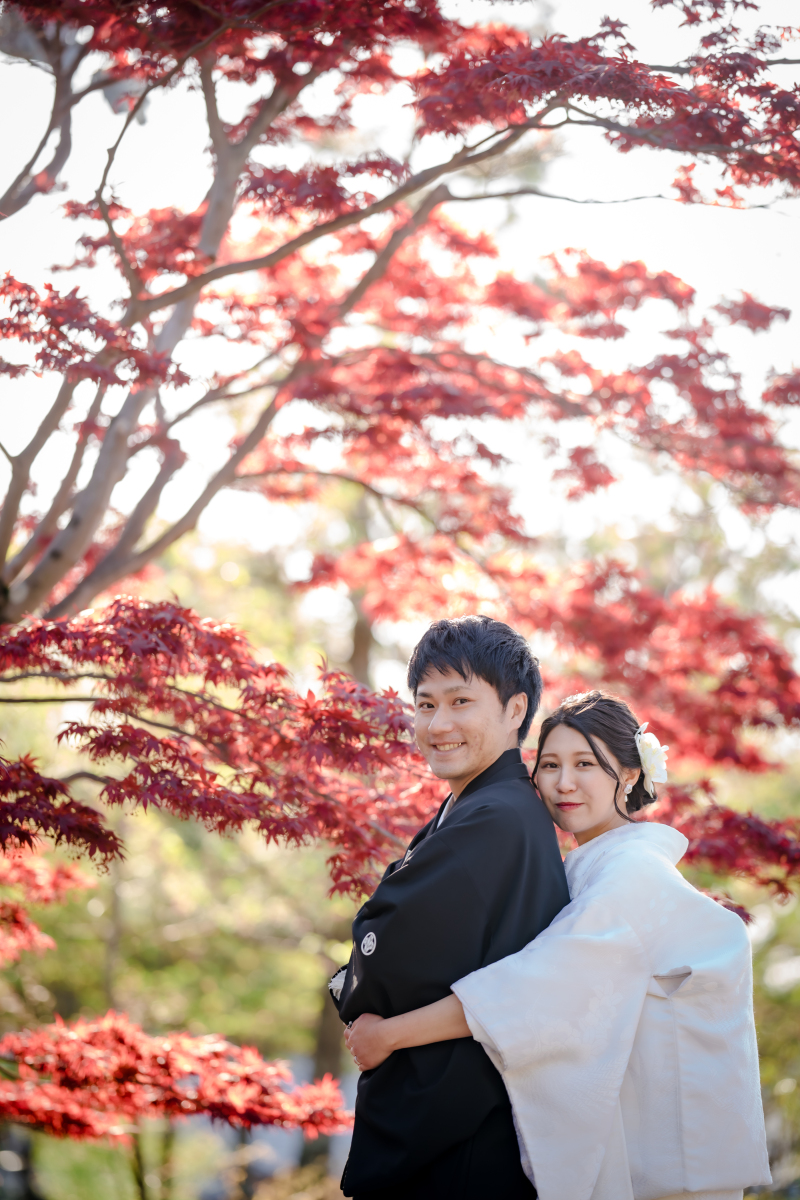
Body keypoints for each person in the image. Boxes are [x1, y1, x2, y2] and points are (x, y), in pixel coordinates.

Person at [345, 690, 771, 1200]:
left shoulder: (631, 875)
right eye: (549, 765)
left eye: (586, 764)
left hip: (665, 1162)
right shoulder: (592, 868)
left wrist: (390, 1034)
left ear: (631, 775)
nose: (563, 783)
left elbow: (533, 994)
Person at [329, 615, 570, 1199]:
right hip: (457, 1119)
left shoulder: (497, 816)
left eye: (461, 701)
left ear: (515, 710)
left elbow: (389, 945)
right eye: (425, 704)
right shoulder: (484, 807)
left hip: (456, 1138)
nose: (438, 724)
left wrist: (356, 996)